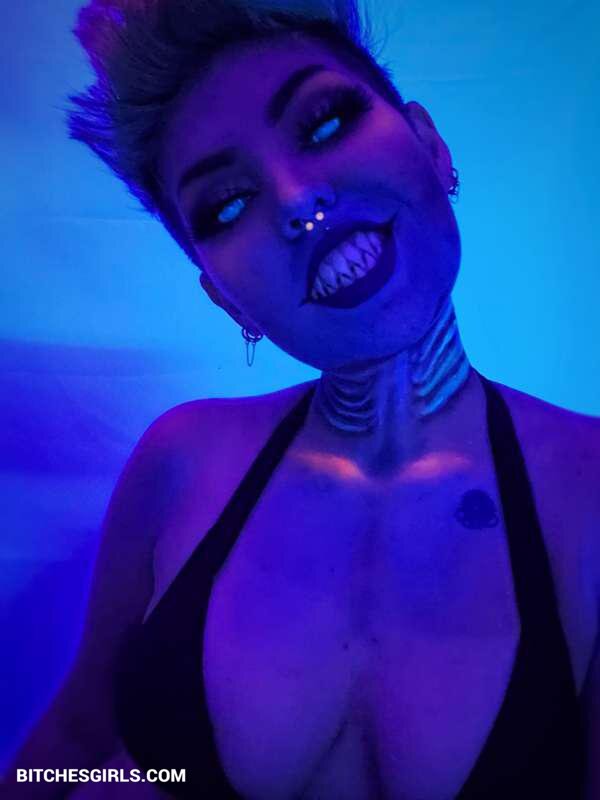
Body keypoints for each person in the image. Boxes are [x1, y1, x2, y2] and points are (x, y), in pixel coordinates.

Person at [2, 0, 599, 798]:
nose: (295, 201)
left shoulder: (591, 486)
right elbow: (76, 738)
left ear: (431, 145)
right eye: (227, 203)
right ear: (224, 298)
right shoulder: (181, 460)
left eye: (325, 123)